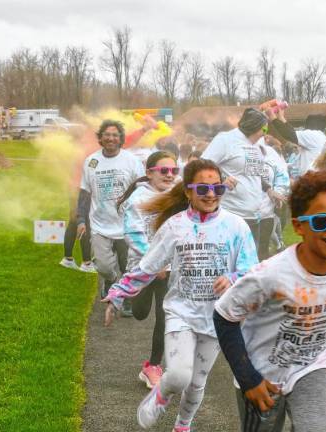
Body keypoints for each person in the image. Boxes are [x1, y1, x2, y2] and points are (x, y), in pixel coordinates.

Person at [103, 159, 258, 431]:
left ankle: (182, 426)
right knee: (178, 375)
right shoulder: (175, 226)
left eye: (217, 188)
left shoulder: (237, 227)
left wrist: (233, 278)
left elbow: (250, 271)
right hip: (181, 312)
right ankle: (161, 394)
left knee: (198, 383)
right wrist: (118, 293)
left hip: (218, 317)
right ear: (188, 191)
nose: (211, 194)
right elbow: (148, 266)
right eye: (202, 189)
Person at [213, 170, 326, 432]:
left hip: (315, 363)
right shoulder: (269, 275)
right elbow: (224, 316)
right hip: (263, 373)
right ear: (299, 226)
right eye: (321, 221)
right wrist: (248, 378)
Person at [116, 151, 180, 389]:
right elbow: (133, 234)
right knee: (141, 312)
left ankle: (153, 366)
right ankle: (129, 298)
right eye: (164, 170)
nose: (170, 175)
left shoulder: (177, 196)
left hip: (170, 268)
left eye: (174, 170)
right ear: (149, 172)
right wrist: (155, 262)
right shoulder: (138, 199)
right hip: (142, 265)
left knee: (165, 315)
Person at [76, 120, 145, 302]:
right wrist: (81, 220)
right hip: (100, 225)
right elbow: (84, 192)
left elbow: (143, 190)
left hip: (126, 224)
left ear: (121, 138)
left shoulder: (132, 161)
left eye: (115, 135)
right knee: (104, 266)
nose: (111, 138)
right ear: (101, 137)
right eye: (107, 134)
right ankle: (110, 280)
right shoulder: (91, 161)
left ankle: (126, 298)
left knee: (127, 266)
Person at [202, 108, 267, 250]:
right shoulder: (226, 139)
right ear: (254, 127)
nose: (265, 133)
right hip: (231, 214)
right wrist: (221, 180)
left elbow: (253, 175)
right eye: (264, 129)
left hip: (254, 216)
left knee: (249, 266)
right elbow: (202, 166)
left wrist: (269, 189)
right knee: (227, 263)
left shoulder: (257, 145)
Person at [266, 108, 326, 176]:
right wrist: (281, 118)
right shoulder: (319, 137)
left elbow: (289, 134)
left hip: (311, 179)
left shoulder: (314, 135)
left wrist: (272, 117)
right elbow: (292, 131)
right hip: (312, 178)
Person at [258, 137, 290, 260]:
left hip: (266, 213)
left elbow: (282, 176)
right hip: (243, 214)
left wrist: (279, 193)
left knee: (262, 253)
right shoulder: (237, 150)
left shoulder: (271, 154)